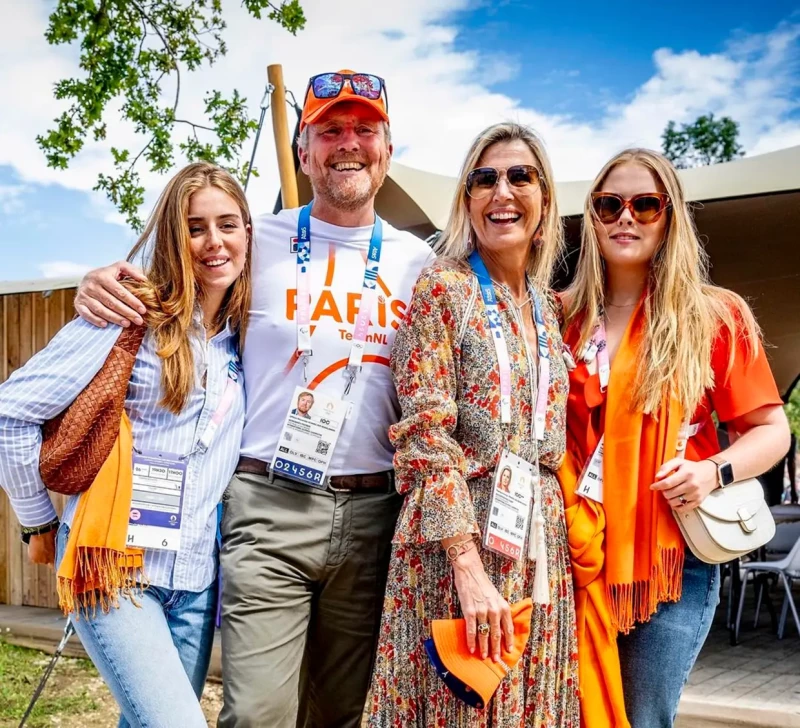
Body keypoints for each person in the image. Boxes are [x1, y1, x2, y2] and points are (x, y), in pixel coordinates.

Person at [72, 70, 434, 727]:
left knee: (342, 714)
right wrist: (98, 281)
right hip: (267, 508)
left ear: (386, 147)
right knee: (259, 712)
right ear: (304, 150)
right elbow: (171, 277)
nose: (347, 143)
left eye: (364, 129)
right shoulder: (252, 240)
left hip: (375, 511)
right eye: (329, 130)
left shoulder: (420, 262)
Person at [0, 162, 250, 727]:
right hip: (114, 572)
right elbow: (10, 413)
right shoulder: (127, 315)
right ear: (173, 237)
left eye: (228, 224)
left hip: (194, 583)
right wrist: (37, 522)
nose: (214, 242)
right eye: (195, 227)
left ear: (247, 235)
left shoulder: (244, 336)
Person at [557, 148, 790, 728]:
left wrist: (713, 471)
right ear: (592, 216)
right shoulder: (559, 316)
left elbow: (771, 432)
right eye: (609, 204)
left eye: (645, 204)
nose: (625, 218)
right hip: (568, 556)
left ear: (670, 216)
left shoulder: (713, 317)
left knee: (640, 718)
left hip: (669, 564)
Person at [366, 122, 579, 727]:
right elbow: (426, 436)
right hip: (456, 540)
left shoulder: (545, 304)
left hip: (537, 545)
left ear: (545, 200)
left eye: (520, 177)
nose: (502, 192)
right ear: (467, 199)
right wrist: (467, 566)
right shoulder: (445, 288)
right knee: (456, 710)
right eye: (484, 179)